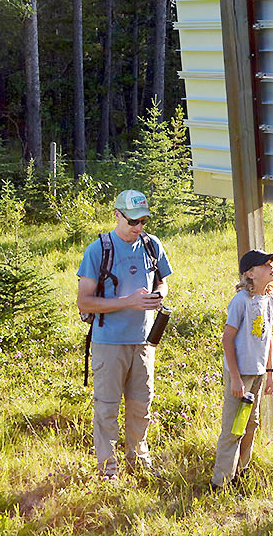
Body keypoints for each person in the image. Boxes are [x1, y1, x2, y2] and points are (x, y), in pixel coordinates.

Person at [76, 190, 172, 480]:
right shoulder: (98, 250)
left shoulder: (152, 245)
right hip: (108, 342)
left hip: (144, 341)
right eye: (132, 220)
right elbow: (84, 302)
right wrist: (128, 302)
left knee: (141, 405)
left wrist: (158, 295)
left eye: (142, 220)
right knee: (106, 409)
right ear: (116, 214)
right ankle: (108, 471)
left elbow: (163, 282)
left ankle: (138, 460)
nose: (138, 227)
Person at [210, 249, 273, 489]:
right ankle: (220, 482)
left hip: (260, 373)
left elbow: (268, 338)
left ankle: (241, 473)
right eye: (265, 264)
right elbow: (227, 339)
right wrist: (236, 379)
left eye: (271, 263)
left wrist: (270, 373)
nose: (271, 267)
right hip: (241, 374)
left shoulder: (270, 298)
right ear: (250, 274)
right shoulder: (241, 301)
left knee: (252, 424)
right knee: (233, 428)